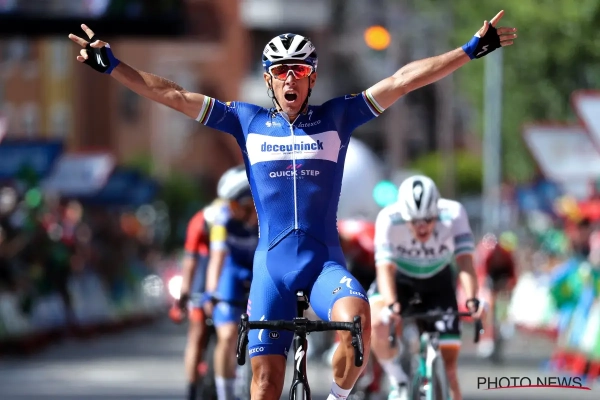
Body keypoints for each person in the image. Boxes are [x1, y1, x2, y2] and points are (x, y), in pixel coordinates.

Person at [68, 12, 516, 400]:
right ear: (268, 79)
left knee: (358, 321)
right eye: (280, 71)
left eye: (299, 70)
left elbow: (402, 80)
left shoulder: (337, 117)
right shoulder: (246, 121)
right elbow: (174, 95)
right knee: (265, 384)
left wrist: (469, 50)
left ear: (312, 78)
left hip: (324, 264)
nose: (290, 79)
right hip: (272, 268)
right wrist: (114, 67)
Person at [368, 175, 484, 400]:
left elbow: (465, 262)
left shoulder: (454, 213)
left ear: (437, 211)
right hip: (399, 281)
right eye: (414, 221)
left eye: (429, 219)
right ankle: (398, 380)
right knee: (376, 323)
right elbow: (385, 269)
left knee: (449, 370)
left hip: (438, 282)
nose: (422, 227)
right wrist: (391, 305)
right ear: (403, 215)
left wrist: (472, 299)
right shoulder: (388, 218)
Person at [204, 165, 258, 400]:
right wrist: (211, 292)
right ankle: (225, 395)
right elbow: (217, 258)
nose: (231, 209)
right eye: (230, 205)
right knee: (226, 336)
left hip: (259, 272)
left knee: (262, 336)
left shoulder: (267, 216)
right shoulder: (222, 219)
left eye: (237, 205)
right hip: (232, 272)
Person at [178, 196, 225, 400]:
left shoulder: (230, 219)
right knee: (197, 334)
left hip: (221, 272)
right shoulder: (198, 222)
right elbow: (190, 262)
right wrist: (185, 292)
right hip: (205, 273)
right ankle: (192, 388)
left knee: (222, 333)